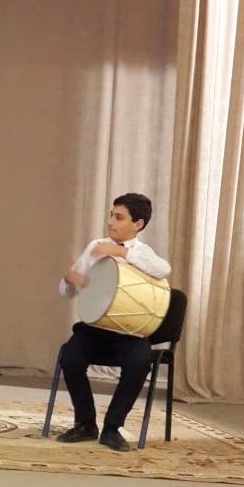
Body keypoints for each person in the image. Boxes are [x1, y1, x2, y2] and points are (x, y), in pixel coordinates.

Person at [57, 192, 170, 451]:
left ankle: (112, 428)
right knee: (70, 357)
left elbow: (164, 270)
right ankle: (86, 424)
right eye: (111, 215)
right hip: (95, 328)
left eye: (119, 217)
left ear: (137, 224)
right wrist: (69, 280)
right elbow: (68, 291)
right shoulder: (96, 246)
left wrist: (121, 252)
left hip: (129, 333)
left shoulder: (143, 253)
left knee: (140, 360)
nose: (110, 222)